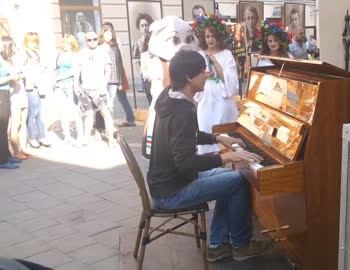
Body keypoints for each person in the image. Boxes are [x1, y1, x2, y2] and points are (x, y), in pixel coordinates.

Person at [147, 50, 275, 263]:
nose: (207, 74)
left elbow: (186, 136)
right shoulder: (182, 110)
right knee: (238, 181)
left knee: (228, 178)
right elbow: (186, 164)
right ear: (189, 77)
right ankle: (240, 245)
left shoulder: (169, 95)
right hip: (172, 191)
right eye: (201, 71)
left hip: (166, 183)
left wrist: (218, 138)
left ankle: (218, 244)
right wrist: (228, 157)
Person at [192, 14, 239, 154]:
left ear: (219, 37)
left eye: (213, 36)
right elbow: (195, 75)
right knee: (206, 127)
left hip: (222, 98)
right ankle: (208, 159)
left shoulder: (226, 54)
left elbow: (230, 79)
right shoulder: (199, 54)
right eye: (207, 36)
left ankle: (227, 159)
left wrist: (213, 60)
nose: (210, 40)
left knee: (223, 131)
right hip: (206, 96)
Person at [74, 30, 116, 147]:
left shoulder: (103, 51)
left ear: (97, 39)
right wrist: (76, 85)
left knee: (105, 113)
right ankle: (86, 139)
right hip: (86, 88)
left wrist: (103, 85)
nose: (92, 42)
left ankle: (111, 139)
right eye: (89, 40)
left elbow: (108, 70)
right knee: (88, 114)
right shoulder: (81, 53)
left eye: (94, 39)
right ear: (86, 41)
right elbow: (77, 70)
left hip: (99, 88)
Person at [0, 33, 23, 169]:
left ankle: (7, 155)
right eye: (13, 47)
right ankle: (3, 161)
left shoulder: (0, 58)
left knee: (4, 127)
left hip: (3, 94)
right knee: (1, 128)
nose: (14, 50)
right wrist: (12, 77)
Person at [99, 23, 136, 127]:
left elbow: (118, 61)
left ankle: (128, 119)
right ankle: (129, 118)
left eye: (109, 32)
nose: (108, 35)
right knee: (118, 99)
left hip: (116, 74)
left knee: (115, 100)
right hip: (110, 76)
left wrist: (120, 81)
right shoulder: (101, 46)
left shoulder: (115, 44)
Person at [2, 36, 30, 159]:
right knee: (15, 124)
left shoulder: (14, 59)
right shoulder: (3, 63)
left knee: (24, 122)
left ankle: (23, 148)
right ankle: (16, 151)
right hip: (13, 96)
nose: (15, 48)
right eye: (13, 45)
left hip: (22, 92)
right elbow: (7, 79)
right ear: (7, 46)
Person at [22, 32, 51, 148]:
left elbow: (43, 69)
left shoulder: (38, 54)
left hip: (40, 87)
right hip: (31, 87)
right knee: (32, 114)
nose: (33, 44)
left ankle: (42, 136)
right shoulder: (25, 55)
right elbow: (23, 71)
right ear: (26, 42)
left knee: (40, 114)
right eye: (30, 41)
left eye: (35, 41)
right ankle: (32, 138)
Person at [54, 34, 84, 144]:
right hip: (60, 86)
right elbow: (55, 69)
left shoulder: (75, 55)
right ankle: (67, 135)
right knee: (63, 111)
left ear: (72, 44)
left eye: (68, 43)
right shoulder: (59, 55)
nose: (65, 45)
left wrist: (60, 78)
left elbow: (75, 71)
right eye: (64, 43)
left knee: (75, 110)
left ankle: (80, 135)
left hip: (70, 84)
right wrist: (54, 81)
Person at [132, 13, 153, 93]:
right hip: (145, 74)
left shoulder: (154, 41)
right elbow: (135, 60)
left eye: (146, 25)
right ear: (139, 27)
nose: (145, 28)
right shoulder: (137, 43)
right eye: (142, 26)